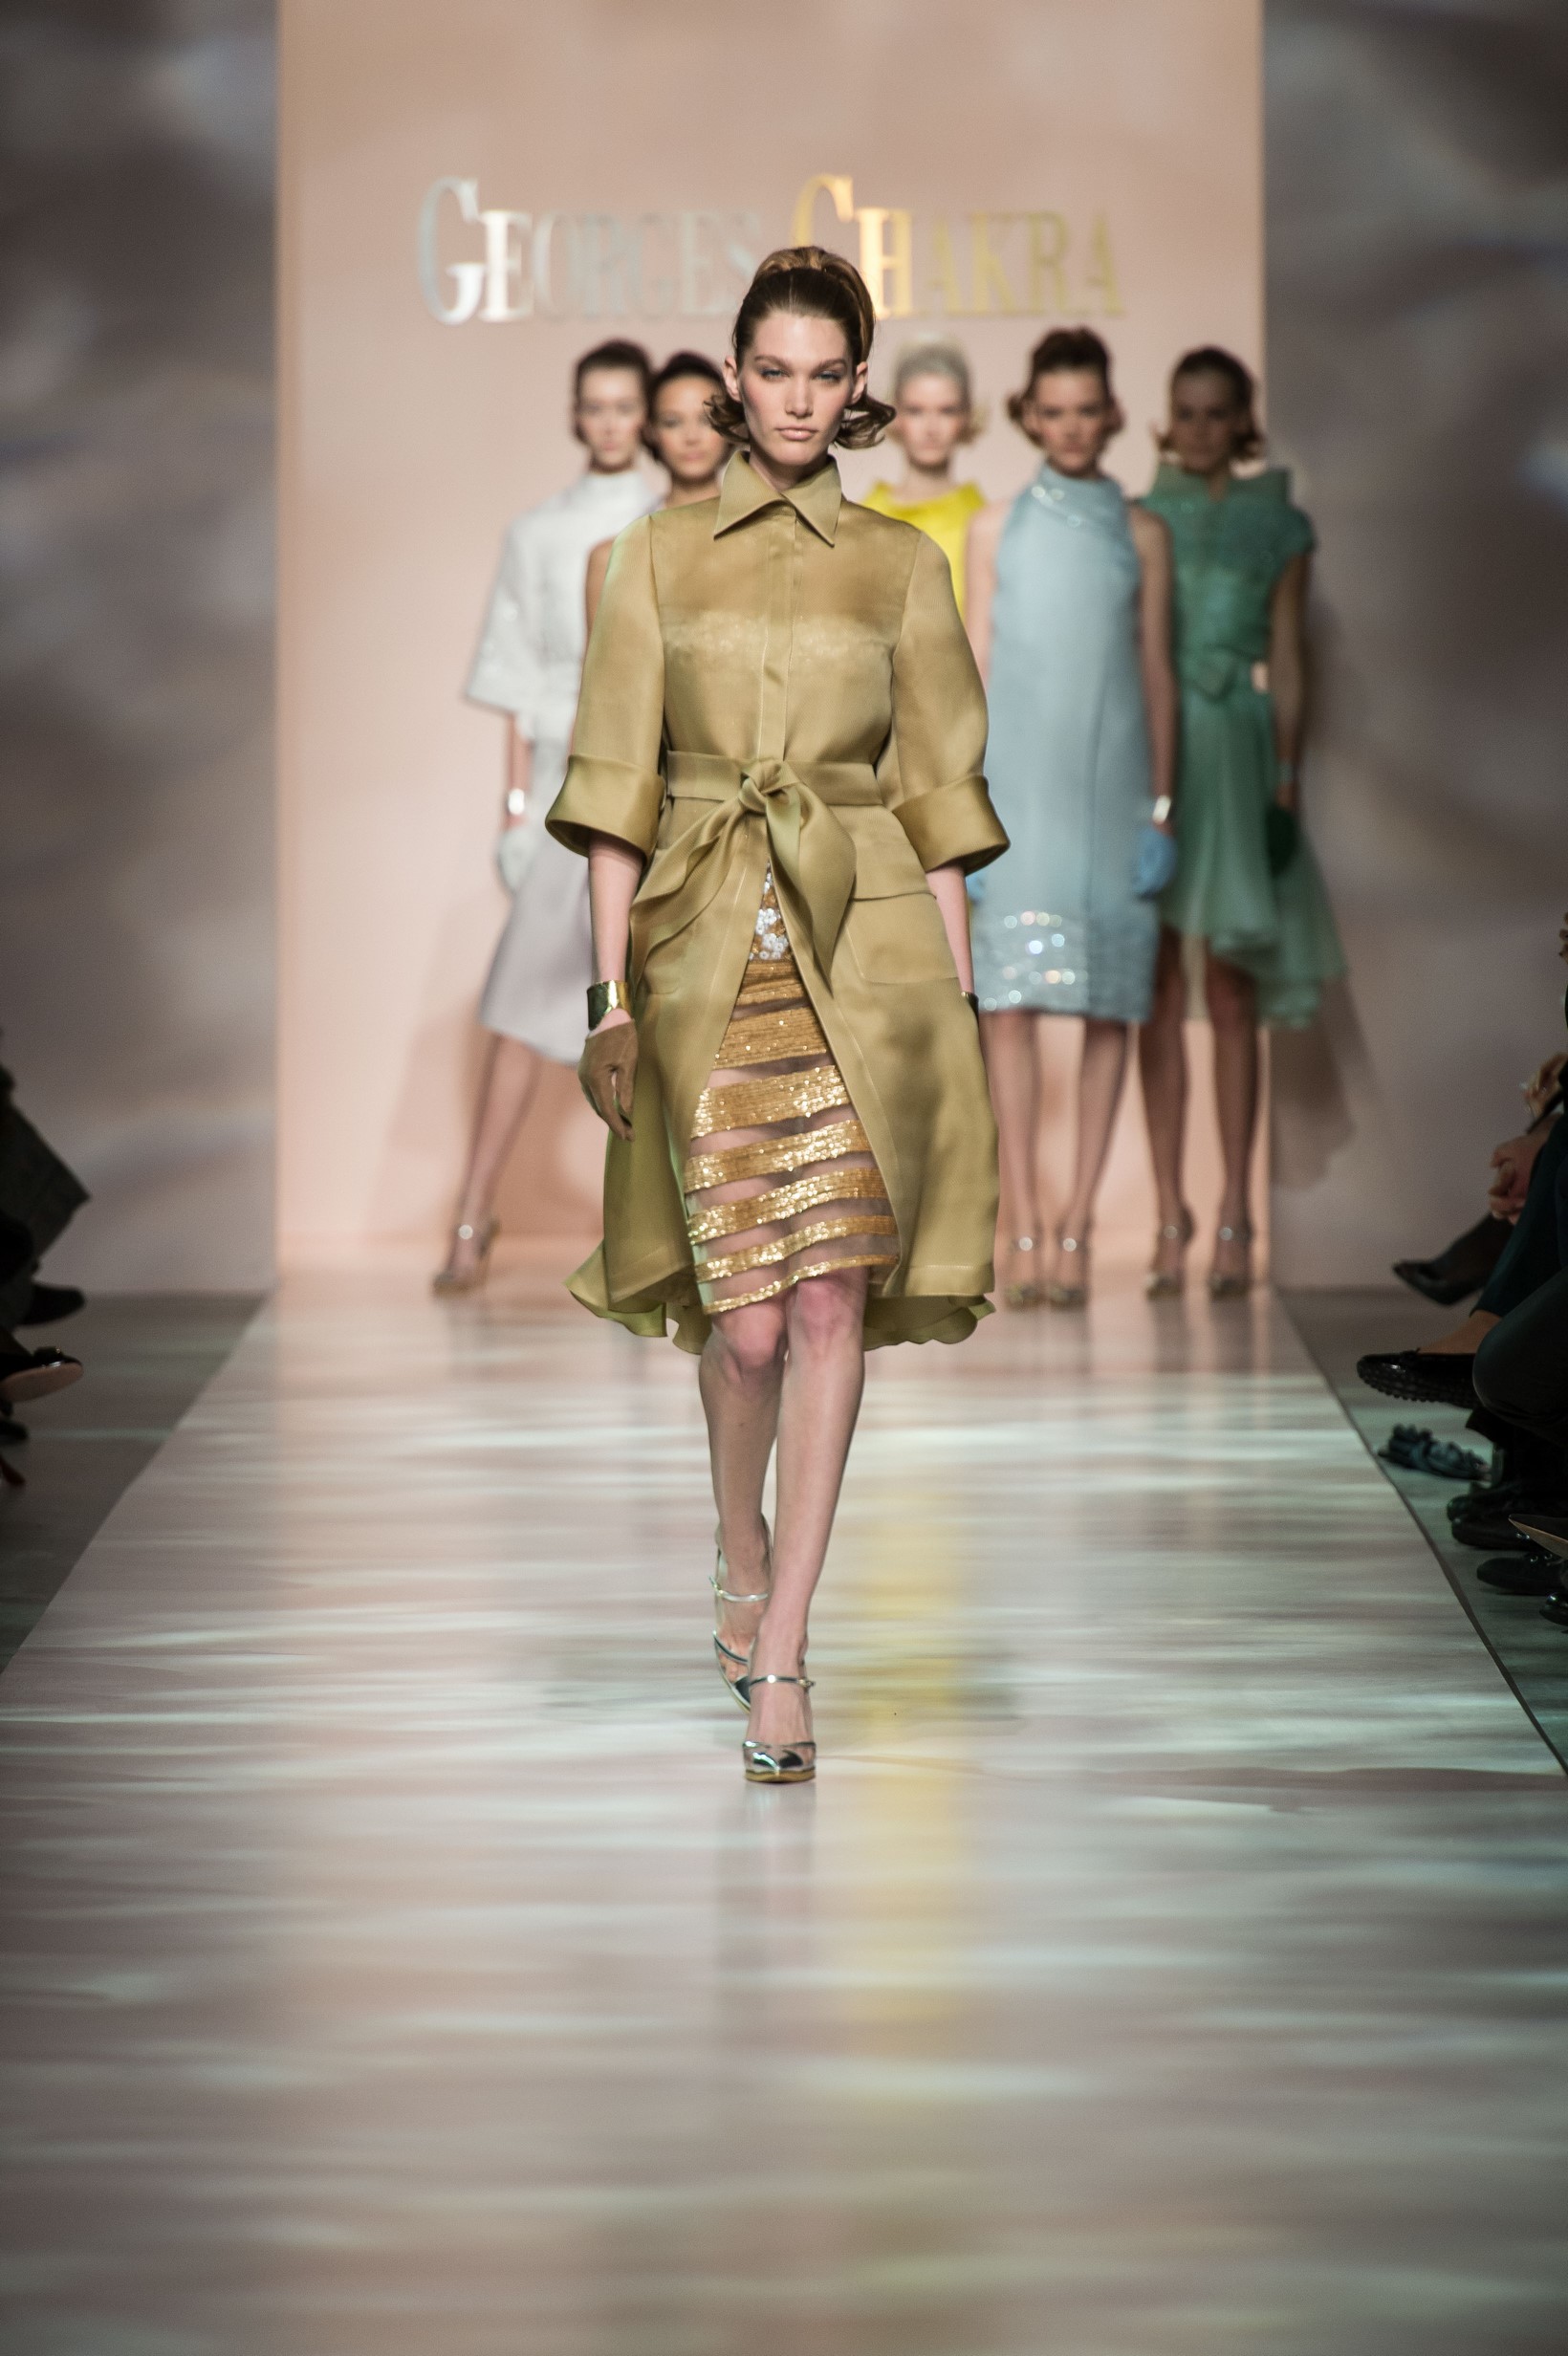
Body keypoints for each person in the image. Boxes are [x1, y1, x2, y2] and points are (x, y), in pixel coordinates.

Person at [547, 248, 1007, 1784]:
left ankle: (790, 1648)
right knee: (742, 1328)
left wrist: (963, 1013)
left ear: (855, 384)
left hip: (867, 951)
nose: (799, 401)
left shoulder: (904, 569)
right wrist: (609, 999)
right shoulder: (651, 559)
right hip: (702, 951)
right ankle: (737, 1542)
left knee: (826, 1310)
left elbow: (942, 802)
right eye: (774, 372)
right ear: (732, 380)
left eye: (826, 375)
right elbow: (614, 795)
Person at [433, 341, 657, 1293]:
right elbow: (521, 685)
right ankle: (472, 1212)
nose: (609, 421)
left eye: (624, 405)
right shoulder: (536, 532)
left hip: (647, 773)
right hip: (568, 777)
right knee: (523, 1004)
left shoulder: (669, 519)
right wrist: (517, 811)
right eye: (594, 405)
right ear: (574, 414)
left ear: (645, 413)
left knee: (649, 1006)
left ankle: (645, 1234)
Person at [964, 329, 1176, 1309]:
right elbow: (971, 669)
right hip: (1015, 790)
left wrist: (1162, 807)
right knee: (1005, 1008)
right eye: (1052, 411)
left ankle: (1078, 1226)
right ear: (1028, 416)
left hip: (1112, 791)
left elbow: (1156, 671)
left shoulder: (1143, 533)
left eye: (1086, 409)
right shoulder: (992, 528)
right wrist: (959, 800)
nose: (1071, 427)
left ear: (1111, 413)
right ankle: (1022, 1220)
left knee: (1104, 1006)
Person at [1138, 347, 1345, 1298]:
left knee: (1228, 988)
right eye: (1184, 411)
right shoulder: (1140, 514)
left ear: (1241, 421)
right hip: (1156, 750)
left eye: (1215, 412)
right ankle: (1165, 1211)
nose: (1198, 428)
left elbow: (1290, 657)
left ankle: (1232, 1211)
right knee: (1150, 988)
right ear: (1166, 419)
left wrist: (1287, 780)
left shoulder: (1278, 524)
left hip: (1236, 751)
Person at [583, 352, 729, 634]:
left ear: (730, 426)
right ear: (650, 431)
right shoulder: (613, 560)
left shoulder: (770, 542)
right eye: (673, 422)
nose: (691, 437)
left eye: (706, 420)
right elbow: (600, 663)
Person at [860, 338, 986, 617]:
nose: (931, 428)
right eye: (916, 411)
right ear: (895, 415)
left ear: (967, 416)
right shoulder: (866, 518)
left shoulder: (984, 522)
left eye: (947, 410)